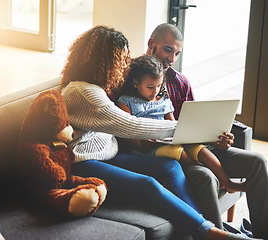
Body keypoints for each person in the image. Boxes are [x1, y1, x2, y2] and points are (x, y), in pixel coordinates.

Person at [60, 25, 255, 240]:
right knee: (148, 184)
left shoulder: (97, 87)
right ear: (103, 60)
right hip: (84, 162)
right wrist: (191, 129)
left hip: (109, 156)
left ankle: (203, 227)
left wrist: (202, 133)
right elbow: (130, 125)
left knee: (170, 167)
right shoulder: (83, 92)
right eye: (121, 59)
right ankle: (208, 232)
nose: (125, 65)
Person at [145, 23, 268, 239]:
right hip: (170, 154)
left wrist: (217, 138)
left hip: (198, 147)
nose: (172, 59)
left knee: (258, 161)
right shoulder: (132, 79)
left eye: (177, 53)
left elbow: (195, 125)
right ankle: (221, 234)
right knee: (206, 175)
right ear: (151, 44)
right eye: (167, 49)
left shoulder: (181, 82)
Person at [117, 55, 246, 194]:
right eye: (150, 87)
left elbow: (174, 126)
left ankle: (228, 182)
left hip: (166, 140)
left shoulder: (163, 100)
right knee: (177, 151)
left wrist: (184, 136)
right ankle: (211, 175)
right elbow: (128, 129)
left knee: (199, 149)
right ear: (136, 83)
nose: (155, 91)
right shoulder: (126, 101)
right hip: (145, 147)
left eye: (158, 86)